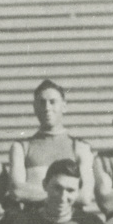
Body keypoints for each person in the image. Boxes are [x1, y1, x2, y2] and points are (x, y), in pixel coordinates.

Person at [9, 79, 94, 210]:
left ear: (64, 106)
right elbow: (17, 191)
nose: (47, 108)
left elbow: (85, 196)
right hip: (34, 223)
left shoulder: (79, 146)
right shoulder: (21, 147)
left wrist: (34, 192)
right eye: (42, 103)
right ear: (35, 107)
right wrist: (65, 195)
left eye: (53, 102)